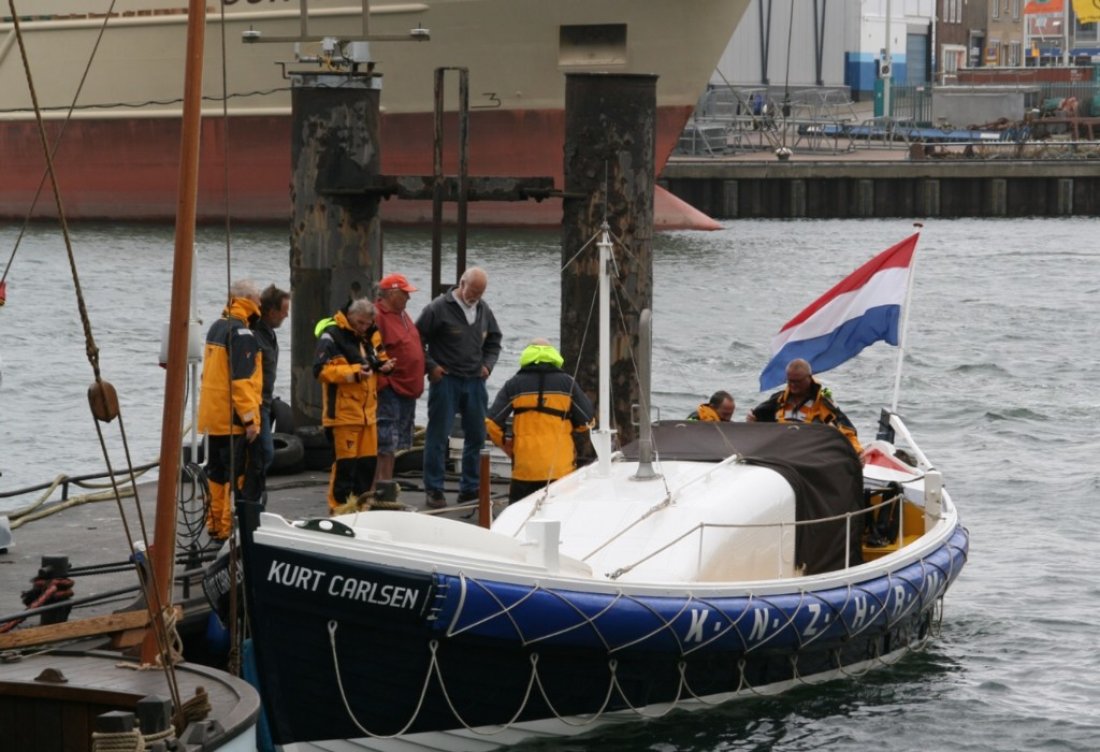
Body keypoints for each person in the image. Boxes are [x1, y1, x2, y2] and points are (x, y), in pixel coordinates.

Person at [415, 266, 502, 509]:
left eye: (480, 293)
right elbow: (416, 338)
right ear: (461, 283)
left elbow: (494, 341)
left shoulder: (484, 310)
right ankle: (434, 489)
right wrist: (431, 366)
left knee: (476, 435)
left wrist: (488, 365)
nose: (474, 296)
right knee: (438, 435)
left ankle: (469, 488)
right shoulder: (437, 308)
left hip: (475, 381)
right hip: (447, 381)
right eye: (472, 290)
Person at [486, 339, 594, 503]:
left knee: (520, 519)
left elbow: (491, 423)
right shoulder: (567, 383)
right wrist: (572, 429)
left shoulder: (514, 385)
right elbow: (587, 421)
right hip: (560, 469)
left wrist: (505, 445)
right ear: (553, 356)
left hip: (524, 470)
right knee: (560, 518)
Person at [197, 279, 265, 541]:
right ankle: (226, 532)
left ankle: (214, 527)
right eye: (258, 300)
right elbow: (242, 383)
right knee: (233, 477)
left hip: (214, 416)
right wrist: (250, 420)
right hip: (233, 419)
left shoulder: (217, 327)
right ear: (250, 302)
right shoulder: (242, 334)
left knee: (216, 474)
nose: (260, 304)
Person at [314, 298, 396, 512]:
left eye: (367, 324)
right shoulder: (331, 336)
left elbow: (379, 357)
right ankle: (338, 511)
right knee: (344, 468)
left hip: (368, 415)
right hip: (343, 415)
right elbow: (321, 371)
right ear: (350, 317)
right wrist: (353, 373)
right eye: (359, 323)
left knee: (366, 467)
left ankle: (360, 509)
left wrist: (384, 366)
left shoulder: (370, 335)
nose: (363, 327)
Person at [372, 273, 425, 488]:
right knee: (385, 443)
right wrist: (384, 381)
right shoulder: (378, 316)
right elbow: (373, 350)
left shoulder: (403, 315)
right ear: (392, 293)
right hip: (390, 389)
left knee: (395, 445)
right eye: (404, 294)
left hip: (407, 389)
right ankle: (378, 488)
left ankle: (387, 485)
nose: (408, 299)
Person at [746, 358, 862, 454]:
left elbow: (847, 431)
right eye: (790, 381)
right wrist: (752, 421)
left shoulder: (823, 404)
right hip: (779, 453)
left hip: (809, 455)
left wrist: (857, 452)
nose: (793, 385)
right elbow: (758, 423)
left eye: (798, 381)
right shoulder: (778, 400)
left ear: (809, 378)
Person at [253, 284, 290, 471]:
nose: (286, 315)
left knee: (264, 454)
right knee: (264, 453)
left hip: (265, 403)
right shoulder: (255, 335)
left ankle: (253, 494)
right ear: (271, 311)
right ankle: (249, 496)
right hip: (256, 405)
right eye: (284, 311)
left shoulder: (269, 335)